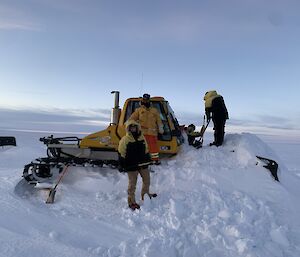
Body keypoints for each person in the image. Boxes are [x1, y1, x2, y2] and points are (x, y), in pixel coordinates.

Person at [118, 120, 157, 211]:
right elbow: (121, 152)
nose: (133, 129)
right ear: (128, 129)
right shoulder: (125, 139)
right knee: (132, 184)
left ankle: (145, 195)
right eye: (131, 127)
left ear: (137, 128)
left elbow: (146, 149)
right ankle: (131, 202)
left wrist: (149, 158)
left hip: (143, 163)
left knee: (147, 180)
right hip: (131, 165)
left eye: (134, 127)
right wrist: (121, 164)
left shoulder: (142, 137)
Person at [129, 93, 164, 164]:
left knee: (153, 147)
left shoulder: (154, 110)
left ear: (149, 100)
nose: (145, 101)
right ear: (142, 99)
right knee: (141, 147)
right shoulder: (138, 110)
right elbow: (132, 119)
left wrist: (161, 128)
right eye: (144, 99)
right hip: (142, 133)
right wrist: (132, 125)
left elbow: (159, 120)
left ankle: (155, 160)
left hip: (152, 132)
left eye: (147, 99)